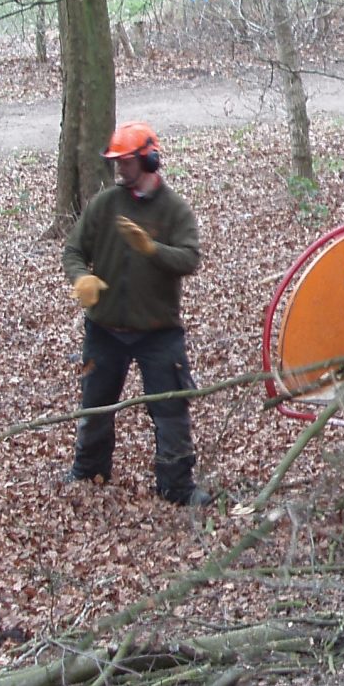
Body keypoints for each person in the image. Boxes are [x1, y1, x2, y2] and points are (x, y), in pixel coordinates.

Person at [60, 121, 210, 507]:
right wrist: (81, 279)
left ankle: (176, 485)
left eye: (125, 161)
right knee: (96, 406)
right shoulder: (105, 204)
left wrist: (152, 249)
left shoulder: (174, 210)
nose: (120, 169)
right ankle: (89, 472)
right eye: (116, 162)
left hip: (158, 331)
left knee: (170, 409)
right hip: (105, 328)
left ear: (148, 158)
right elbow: (74, 250)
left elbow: (190, 258)